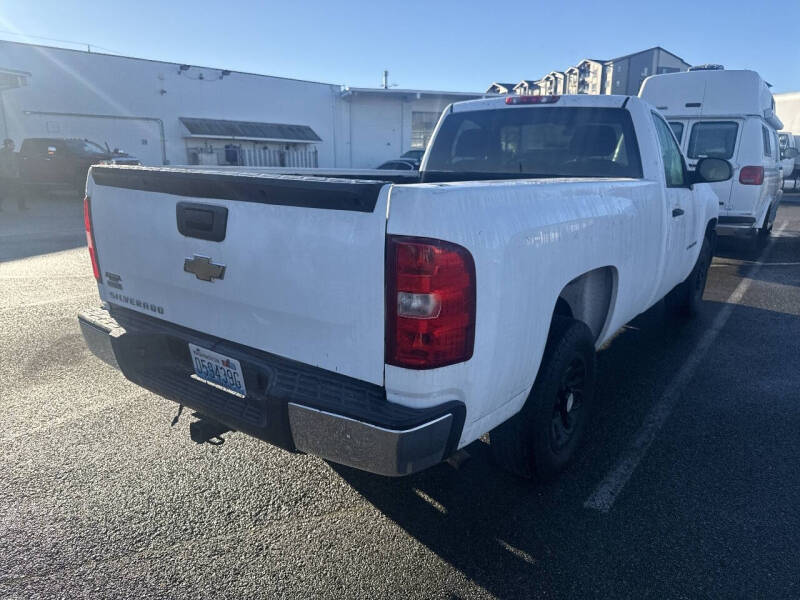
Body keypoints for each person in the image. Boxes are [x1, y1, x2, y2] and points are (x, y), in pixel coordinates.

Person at [0, 138, 27, 211]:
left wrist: (17, 172)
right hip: (5, 176)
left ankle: (22, 207)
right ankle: (22, 207)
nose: (14, 145)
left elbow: (15, 164)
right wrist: (9, 174)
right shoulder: (2, 153)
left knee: (20, 190)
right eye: (12, 144)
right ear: (8, 145)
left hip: (14, 176)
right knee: (4, 192)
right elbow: (3, 166)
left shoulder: (12, 153)